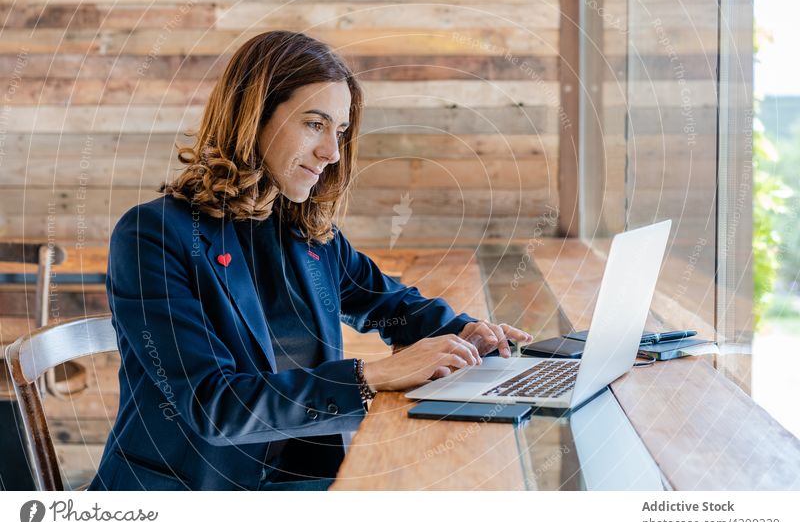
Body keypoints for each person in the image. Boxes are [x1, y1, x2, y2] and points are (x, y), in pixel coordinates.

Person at [88, 30, 532, 491]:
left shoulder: (306, 234)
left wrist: (467, 333)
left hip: (300, 485)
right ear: (253, 117)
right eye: (314, 124)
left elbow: (392, 305)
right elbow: (212, 406)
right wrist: (369, 377)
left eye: (338, 131)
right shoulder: (154, 236)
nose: (332, 152)